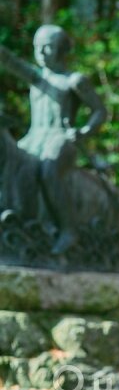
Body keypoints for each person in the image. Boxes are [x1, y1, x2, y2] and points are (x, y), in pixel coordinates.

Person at [0, 26, 107, 253]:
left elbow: (99, 111)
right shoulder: (35, 77)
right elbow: (9, 60)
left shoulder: (74, 81)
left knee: (49, 171)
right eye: (37, 47)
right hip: (33, 137)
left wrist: (84, 131)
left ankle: (69, 229)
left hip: (60, 138)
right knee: (10, 163)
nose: (42, 52)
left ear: (60, 49)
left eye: (48, 46)